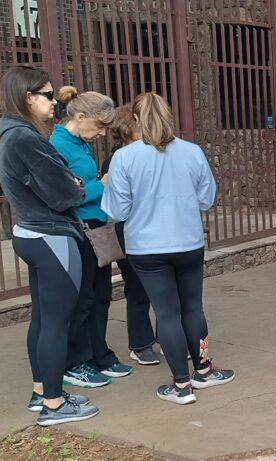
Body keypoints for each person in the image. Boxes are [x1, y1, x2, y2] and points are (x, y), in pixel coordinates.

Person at [101, 92, 232, 405]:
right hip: (188, 242)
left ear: (135, 119)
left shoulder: (124, 157)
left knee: (167, 313)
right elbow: (207, 199)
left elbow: (116, 211)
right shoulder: (192, 152)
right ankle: (202, 370)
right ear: (169, 116)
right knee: (193, 308)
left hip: (146, 248)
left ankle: (181, 385)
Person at [0, 65, 99, 425]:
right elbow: (65, 193)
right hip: (51, 236)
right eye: (48, 95)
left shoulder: (12, 134)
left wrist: (69, 181)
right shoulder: (26, 138)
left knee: (42, 320)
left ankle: (43, 391)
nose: (55, 101)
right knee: (55, 324)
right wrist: (79, 185)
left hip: (31, 234)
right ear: (28, 97)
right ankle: (54, 405)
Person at [50, 87, 134, 388]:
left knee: (101, 296)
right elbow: (69, 195)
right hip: (79, 229)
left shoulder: (79, 143)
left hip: (97, 226)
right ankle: (76, 361)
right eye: (99, 126)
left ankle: (100, 352)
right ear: (81, 116)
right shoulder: (57, 146)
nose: (101, 134)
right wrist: (102, 184)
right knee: (83, 299)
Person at [105, 103, 160, 366]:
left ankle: (165, 335)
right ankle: (140, 343)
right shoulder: (117, 159)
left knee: (164, 289)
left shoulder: (155, 154)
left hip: (155, 231)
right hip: (128, 231)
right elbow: (116, 206)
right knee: (138, 289)